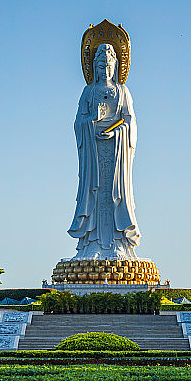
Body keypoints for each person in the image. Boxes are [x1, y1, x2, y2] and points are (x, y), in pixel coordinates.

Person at [68, 43, 140, 259]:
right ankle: (92, 244)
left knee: (116, 192)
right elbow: (78, 122)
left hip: (117, 150)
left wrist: (118, 132)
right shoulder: (88, 91)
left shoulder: (122, 91)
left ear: (116, 66)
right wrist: (92, 121)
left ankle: (119, 242)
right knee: (94, 192)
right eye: (101, 67)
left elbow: (130, 122)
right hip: (93, 149)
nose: (105, 71)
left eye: (109, 66)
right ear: (94, 68)